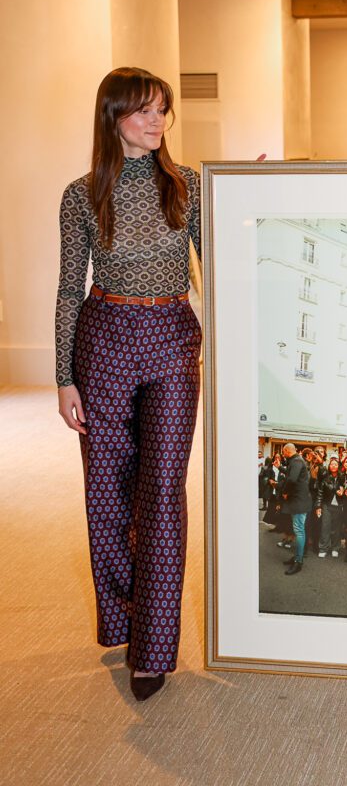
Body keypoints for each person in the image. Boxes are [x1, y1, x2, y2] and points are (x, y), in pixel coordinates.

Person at [56, 67, 201, 701]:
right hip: (104, 338)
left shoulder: (188, 186)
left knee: (164, 487)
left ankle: (154, 647)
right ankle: (123, 617)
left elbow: (227, 249)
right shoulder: (81, 194)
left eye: (162, 110)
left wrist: (255, 192)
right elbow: (68, 287)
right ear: (112, 117)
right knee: (108, 488)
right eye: (143, 111)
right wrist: (63, 376)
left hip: (171, 337)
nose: (156, 121)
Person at [279, 443, 311, 575]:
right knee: (298, 530)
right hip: (299, 501)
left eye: (283, 452)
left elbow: (292, 479)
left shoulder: (297, 461)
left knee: (299, 531)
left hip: (299, 501)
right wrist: (280, 468)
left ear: (287, 451)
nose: (283, 454)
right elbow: (291, 474)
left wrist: (285, 492)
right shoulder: (296, 460)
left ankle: (298, 561)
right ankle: (297, 557)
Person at [315, 456, 342, 557]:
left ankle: (335, 548)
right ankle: (323, 548)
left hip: (339, 506)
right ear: (329, 466)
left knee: (336, 528)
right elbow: (320, 493)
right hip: (327, 505)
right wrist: (318, 507)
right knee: (325, 527)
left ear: (338, 466)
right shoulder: (325, 479)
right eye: (332, 464)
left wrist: (342, 493)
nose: (333, 466)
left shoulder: (342, 478)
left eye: (335, 464)